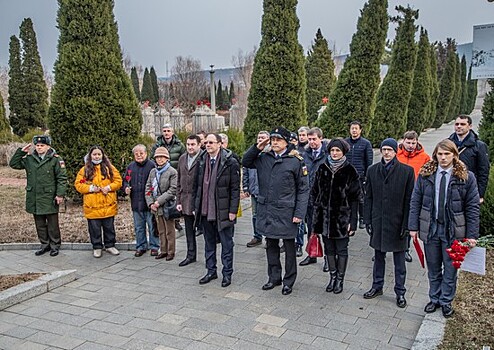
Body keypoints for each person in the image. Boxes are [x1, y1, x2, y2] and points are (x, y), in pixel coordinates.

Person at [408, 139, 480, 318]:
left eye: (447, 154)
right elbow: (415, 201)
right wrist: (413, 226)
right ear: (435, 155)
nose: (443, 158)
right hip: (431, 229)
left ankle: (446, 300)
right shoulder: (426, 175)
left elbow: (472, 207)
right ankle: (434, 298)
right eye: (440, 154)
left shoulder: (466, 177)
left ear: (454, 155)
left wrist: (471, 235)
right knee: (433, 267)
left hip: (453, 231)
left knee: (450, 268)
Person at [243, 127, 309, 295]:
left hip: (287, 211)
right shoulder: (264, 157)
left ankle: (289, 280)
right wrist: (259, 145)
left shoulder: (295, 160)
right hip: (268, 210)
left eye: (278, 140)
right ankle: (274, 277)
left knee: (289, 248)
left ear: (286, 142)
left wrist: (299, 213)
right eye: (272, 140)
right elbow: (245, 161)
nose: (274, 142)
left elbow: (303, 189)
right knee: (271, 245)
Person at [363, 138, 415, 308]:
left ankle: (400, 292)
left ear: (395, 151)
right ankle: (377, 286)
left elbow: (409, 200)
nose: (386, 153)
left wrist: (407, 225)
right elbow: (368, 197)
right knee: (378, 257)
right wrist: (368, 220)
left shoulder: (407, 172)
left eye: (390, 150)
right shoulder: (372, 171)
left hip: (398, 221)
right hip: (379, 221)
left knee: (399, 261)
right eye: (384, 149)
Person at [311, 138, 360, 293]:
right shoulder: (322, 168)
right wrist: (316, 215)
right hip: (324, 218)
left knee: (342, 249)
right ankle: (332, 277)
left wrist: (353, 221)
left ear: (343, 152)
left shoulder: (350, 170)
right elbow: (315, 192)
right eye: (332, 150)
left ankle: (340, 279)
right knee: (329, 249)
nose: (335, 153)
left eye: (338, 150)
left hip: (342, 219)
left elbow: (355, 198)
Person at [194, 133, 240, 288]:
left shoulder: (230, 162)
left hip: (223, 210)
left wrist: (233, 210)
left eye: (211, 142)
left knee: (227, 245)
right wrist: (197, 207)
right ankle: (210, 271)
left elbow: (234, 189)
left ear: (220, 144)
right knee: (208, 243)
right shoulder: (201, 161)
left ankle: (227, 273)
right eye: (206, 142)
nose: (208, 145)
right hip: (206, 210)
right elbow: (198, 187)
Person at [9, 135, 67, 257]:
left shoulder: (55, 159)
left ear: (48, 146)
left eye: (42, 145)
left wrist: (60, 194)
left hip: (49, 196)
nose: (39, 147)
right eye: (38, 145)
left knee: (52, 224)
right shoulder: (30, 159)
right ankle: (44, 245)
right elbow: (13, 164)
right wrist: (21, 152)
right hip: (34, 196)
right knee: (39, 223)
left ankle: (55, 245)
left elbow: (62, 178)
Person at [75, 146, 122, 258]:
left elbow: (118, 181)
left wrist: (109, 187)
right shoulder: (84, 170)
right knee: (94, 229)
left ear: (102, 155)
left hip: (108, 205)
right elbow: (78, 185)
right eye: (94, 154)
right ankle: (97, 247)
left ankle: (110, 245)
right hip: (92, 206)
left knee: (109, 227)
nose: (97, 156)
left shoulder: (109, 168)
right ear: (90, 156)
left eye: (99, 154)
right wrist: (91, 188)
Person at [396, 130, 431, 263]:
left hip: (413, 194)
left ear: (417, 142)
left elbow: (428, 177)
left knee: (409, 221)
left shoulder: (424, 157)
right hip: (397, 192)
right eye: (408, 142)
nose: (411, 145)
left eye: (413, 142)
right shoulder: (396, 155)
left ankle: (405, 249)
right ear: (403, 141)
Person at [299, 127, 330, 269]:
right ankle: (312, 254)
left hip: (324, 200)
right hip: (309, 199)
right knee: (311, 228)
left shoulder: (328, 154)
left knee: (325, 230)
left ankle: (329, 259)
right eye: (309, 139)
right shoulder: (305, 154)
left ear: (320, 139)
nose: (311, 142)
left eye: (314, 139)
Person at [122, 144, 158, 257]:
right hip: (136, 202)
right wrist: (126, 188)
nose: (139, 156)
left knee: (152, 226)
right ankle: (141, 246)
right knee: (139, 227)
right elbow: (126, 180)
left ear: (146, 153)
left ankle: (155, 246)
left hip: (149, 203)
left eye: (141, 153)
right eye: (136, 154)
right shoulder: (130, 167)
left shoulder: (152, 165)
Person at [151, 123, 186, 232]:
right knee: (163, 196)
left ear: (172, 132)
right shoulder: (157, 145)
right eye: (165, 131)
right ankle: (162, 220)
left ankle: (176, 220)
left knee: (174, 197)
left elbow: (183, 159)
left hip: (175, 173)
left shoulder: (179, 145)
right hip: (161, 174)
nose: (166, 133)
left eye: (168, 131)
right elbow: (152, 159)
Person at [145, 147, 178, 260]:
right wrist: (151, 203)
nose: (159, 159)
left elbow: (172, 190)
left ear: (167, 158)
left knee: (169, 230)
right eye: (157, 157)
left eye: (162, 157)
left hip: (167, 205)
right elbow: (148, 188)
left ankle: (171, 251)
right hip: (155, 207)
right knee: (161, 230)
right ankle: (163, 250)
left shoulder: (172, 172)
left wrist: (158, 201)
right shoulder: (153, 172)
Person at [448, 114, 490, 203]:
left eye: (462, 124)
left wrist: (480, 194)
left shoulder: (479, 146)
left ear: (470, 126)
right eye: (457, 124)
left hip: (469, 188)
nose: (459, 126)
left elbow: (483, 172)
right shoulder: (447, 144)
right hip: (450, 187)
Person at [176, 135, 203, 266]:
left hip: (200, 202)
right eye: (188, 144)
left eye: (193, 144)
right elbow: (179, 181)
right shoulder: (182, 159)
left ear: (199, 145)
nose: (190, 147)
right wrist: (179, 201)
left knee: (207, 232)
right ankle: (190, 255)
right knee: (189, 230)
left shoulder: (204, 158)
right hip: (186, 200)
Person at [344, 120, 373, 230]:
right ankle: (349, 218)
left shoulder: (366, 144)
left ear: (360, 130)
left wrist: (366, 176)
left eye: (356, 128)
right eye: (352, 128)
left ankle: (362, 218)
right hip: (347, 176)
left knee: (361, 198)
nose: (354, 130)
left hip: (359, 175)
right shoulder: (345, 143)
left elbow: (368, 161)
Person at [244, 130, 270, 248]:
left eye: (263, 138)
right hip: (254, 190)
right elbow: (245, 170)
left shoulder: (269, 154)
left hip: (266, 192)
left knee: (267, 215)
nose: (261, 140)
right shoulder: (252, 154)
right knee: (255, 215)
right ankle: (257, 236)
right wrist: (246, 186)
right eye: (259, 137)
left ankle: (269, 237)